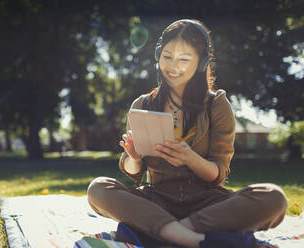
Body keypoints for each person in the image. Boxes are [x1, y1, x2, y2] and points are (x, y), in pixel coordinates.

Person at [87, 19, 287, 248]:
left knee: (274, 197)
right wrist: (134, 157)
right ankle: (196, 240)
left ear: (201, 63)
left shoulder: (217, 104)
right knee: (98, 188)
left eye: (184, 59)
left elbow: (218, 174)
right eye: (167, 56)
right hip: (157, 200)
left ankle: (164, 232)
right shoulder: (143, 103)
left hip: (207, 204)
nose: (172, 66)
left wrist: (190, 158)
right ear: (157, 56)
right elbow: (135, 173)